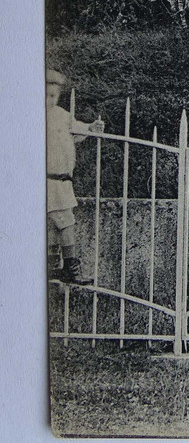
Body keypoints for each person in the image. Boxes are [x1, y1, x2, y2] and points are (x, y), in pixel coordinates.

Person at [46, 68, 104, 285]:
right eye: (45, 95)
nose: (49, 100)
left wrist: (91, 127)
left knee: (56, 224)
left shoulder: (61, 115)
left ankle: (54, 267)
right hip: (47, 180)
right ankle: (71, 268)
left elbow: (77, 130)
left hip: (62, 180)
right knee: (65, 223)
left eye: (54, 95)